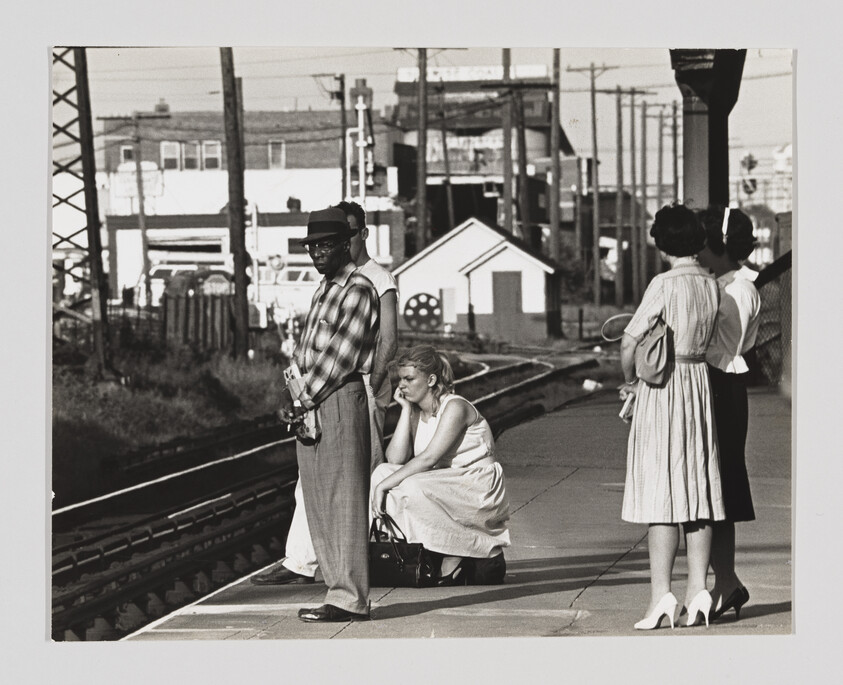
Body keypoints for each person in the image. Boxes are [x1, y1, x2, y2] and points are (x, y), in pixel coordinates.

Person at [252, 202, 398, 588]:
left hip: (342, 396)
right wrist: (295, 396)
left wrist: (372, 389)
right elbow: (305, 352)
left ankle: (350, 593)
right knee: (316, 494)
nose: (317, 253)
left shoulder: (363, 287)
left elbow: (340, 358)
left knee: (346, 497)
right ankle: (327, 582)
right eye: (311, 247)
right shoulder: (324, 290)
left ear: (347, 243)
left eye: (325, 245)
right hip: (314, 403)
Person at [618, 203, 726, 630]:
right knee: (696, 487)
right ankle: (698, 589)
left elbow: (629, 343)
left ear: (661, 241)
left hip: (663, 388)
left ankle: (661, 595)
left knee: (661, 491)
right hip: (699, 383)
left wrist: (627, 382)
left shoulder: (664, 283)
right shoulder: (711, 284)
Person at [370, 345, 510, 585]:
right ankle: (420, 548)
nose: (401, 385)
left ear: (431, 379)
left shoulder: (455, 406)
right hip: (447, 481)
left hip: (476, 484)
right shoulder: (417, 411)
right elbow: (394, 459)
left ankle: (467, 551)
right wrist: (405, 411)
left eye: (409, 379)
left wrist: (383, 487)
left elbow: (429, 458)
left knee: (410, 486)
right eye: (400, 379)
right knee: (382, 472)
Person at [697, 206, 761, 622]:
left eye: (703, 239)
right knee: (718, 489)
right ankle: (727, 582)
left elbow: (727, 350)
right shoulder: (726, 283)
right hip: (723, 387)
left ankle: (725, 581)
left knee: (719, 486)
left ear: (717, 245)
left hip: (722, 387)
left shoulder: (735, 290)